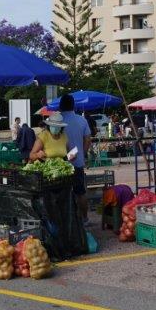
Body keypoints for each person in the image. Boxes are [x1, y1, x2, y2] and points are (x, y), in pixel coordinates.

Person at [58, 94, 93, 224]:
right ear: (73, 105)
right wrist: (82, 153)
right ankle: (84, 218)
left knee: (61, 194)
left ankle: (64, 221)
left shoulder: (56, 120)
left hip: (59, 164)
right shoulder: (81, 120)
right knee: (80, 192)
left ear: (60, 106)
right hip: (77, 162)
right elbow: (88, 139)